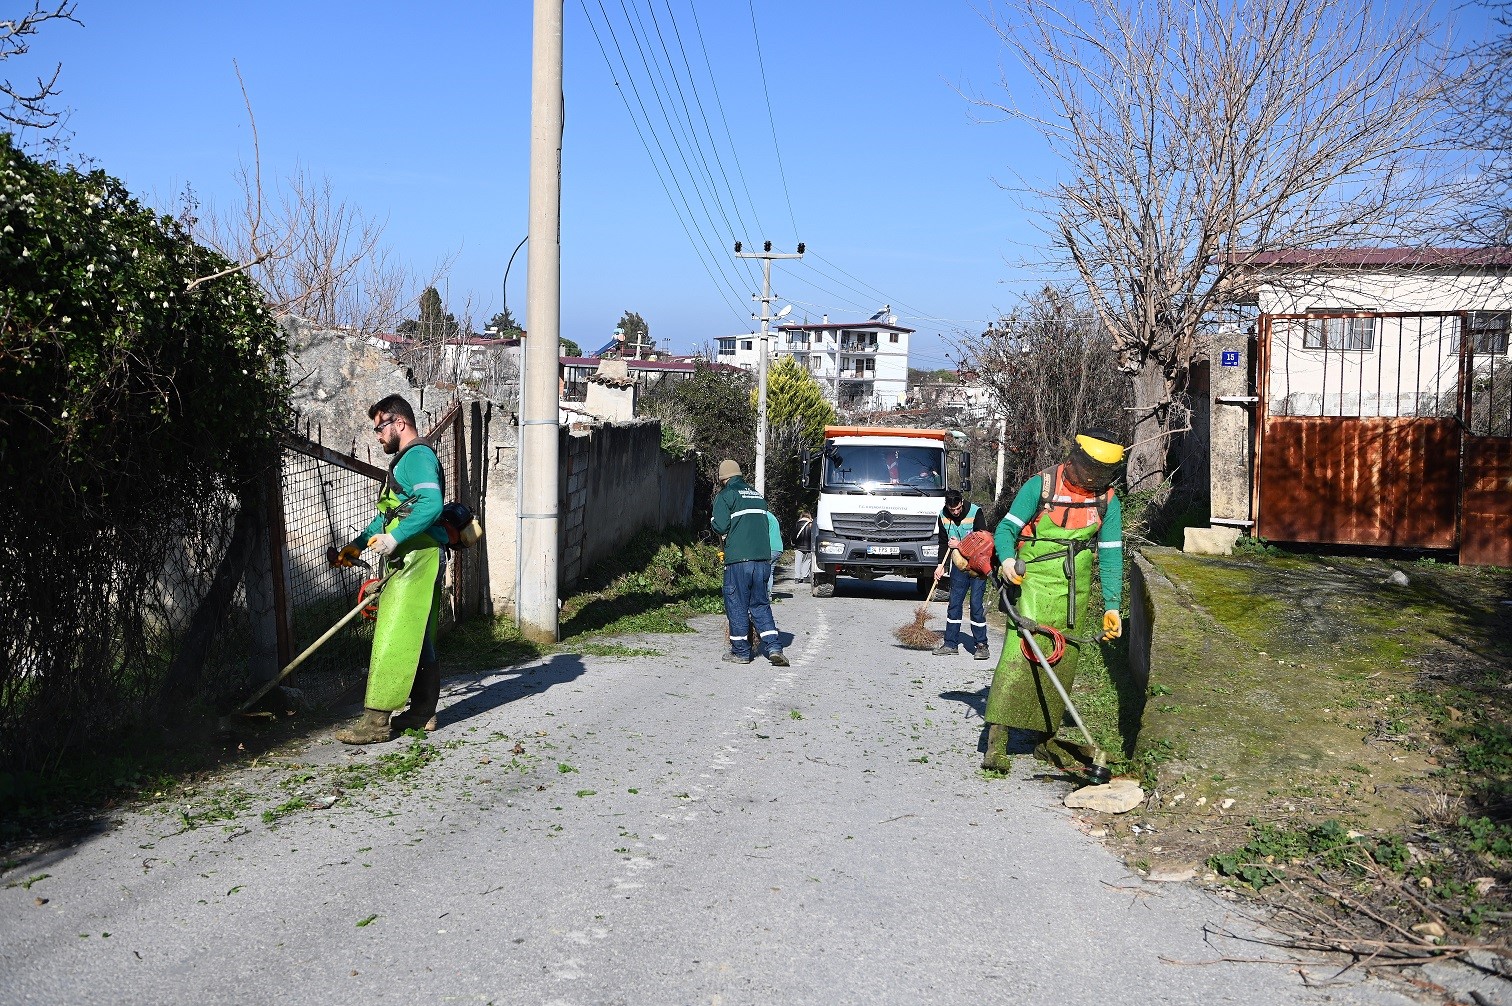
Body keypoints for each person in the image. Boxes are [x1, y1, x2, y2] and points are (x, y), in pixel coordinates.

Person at [980, 427, 1126, 772]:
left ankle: (1045, 740)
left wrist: (1112, 606)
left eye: (1099, 473)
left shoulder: (1107, 501)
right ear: (1074, 458)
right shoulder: (1041, 486)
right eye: (1087, 469)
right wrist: (1007, 560)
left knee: (1062, 663)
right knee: (1017, 658)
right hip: (1030, 581)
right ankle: (997, 741)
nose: (1090, 478)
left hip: (1074, 592)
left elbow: (1110, 555)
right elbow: (1006, 529)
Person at [329, 394, 449, 744]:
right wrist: (357, 544)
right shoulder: (405, 461)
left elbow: (431, 503)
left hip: (418, 557)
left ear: (400, 423)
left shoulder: (418, 456)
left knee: (394, 632)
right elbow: (389, 515)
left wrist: (394, 539)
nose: (378, 435)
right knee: (418, 635)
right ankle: (421, 713)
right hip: (417, 556)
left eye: (380, 427)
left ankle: (376, 723)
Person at [711, 459, 788, 666]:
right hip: (762, 559)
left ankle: (741, 652)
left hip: (739, 560)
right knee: (760, 604)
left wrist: (713, 521)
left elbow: (720, 526)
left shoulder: (726, 495)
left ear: (723, 478)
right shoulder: (757, 495)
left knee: (736, 604)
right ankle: (774, 647)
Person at [931, 490, 991, 660]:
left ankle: (981, 645)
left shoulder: (975, 512)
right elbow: (943, 542)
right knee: (954, 604)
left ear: (962, 502)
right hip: (959, 565)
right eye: (952, 510)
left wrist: (960, 545)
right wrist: (940, 566)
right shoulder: (943, 516)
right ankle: (950, 644)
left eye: (958, 508)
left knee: (976, 605)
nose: (956, 512)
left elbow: (983, 540)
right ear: (947, 506)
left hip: (978, 566)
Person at [791, 510, 814, 583]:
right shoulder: (811, 524)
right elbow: (813, 536)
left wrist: (793, 542)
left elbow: (793, 535)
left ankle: (797, 577)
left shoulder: (797, 524)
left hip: (798, 546)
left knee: (798, 561)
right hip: (808, 546)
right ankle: (805, 576)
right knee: (807, 561)